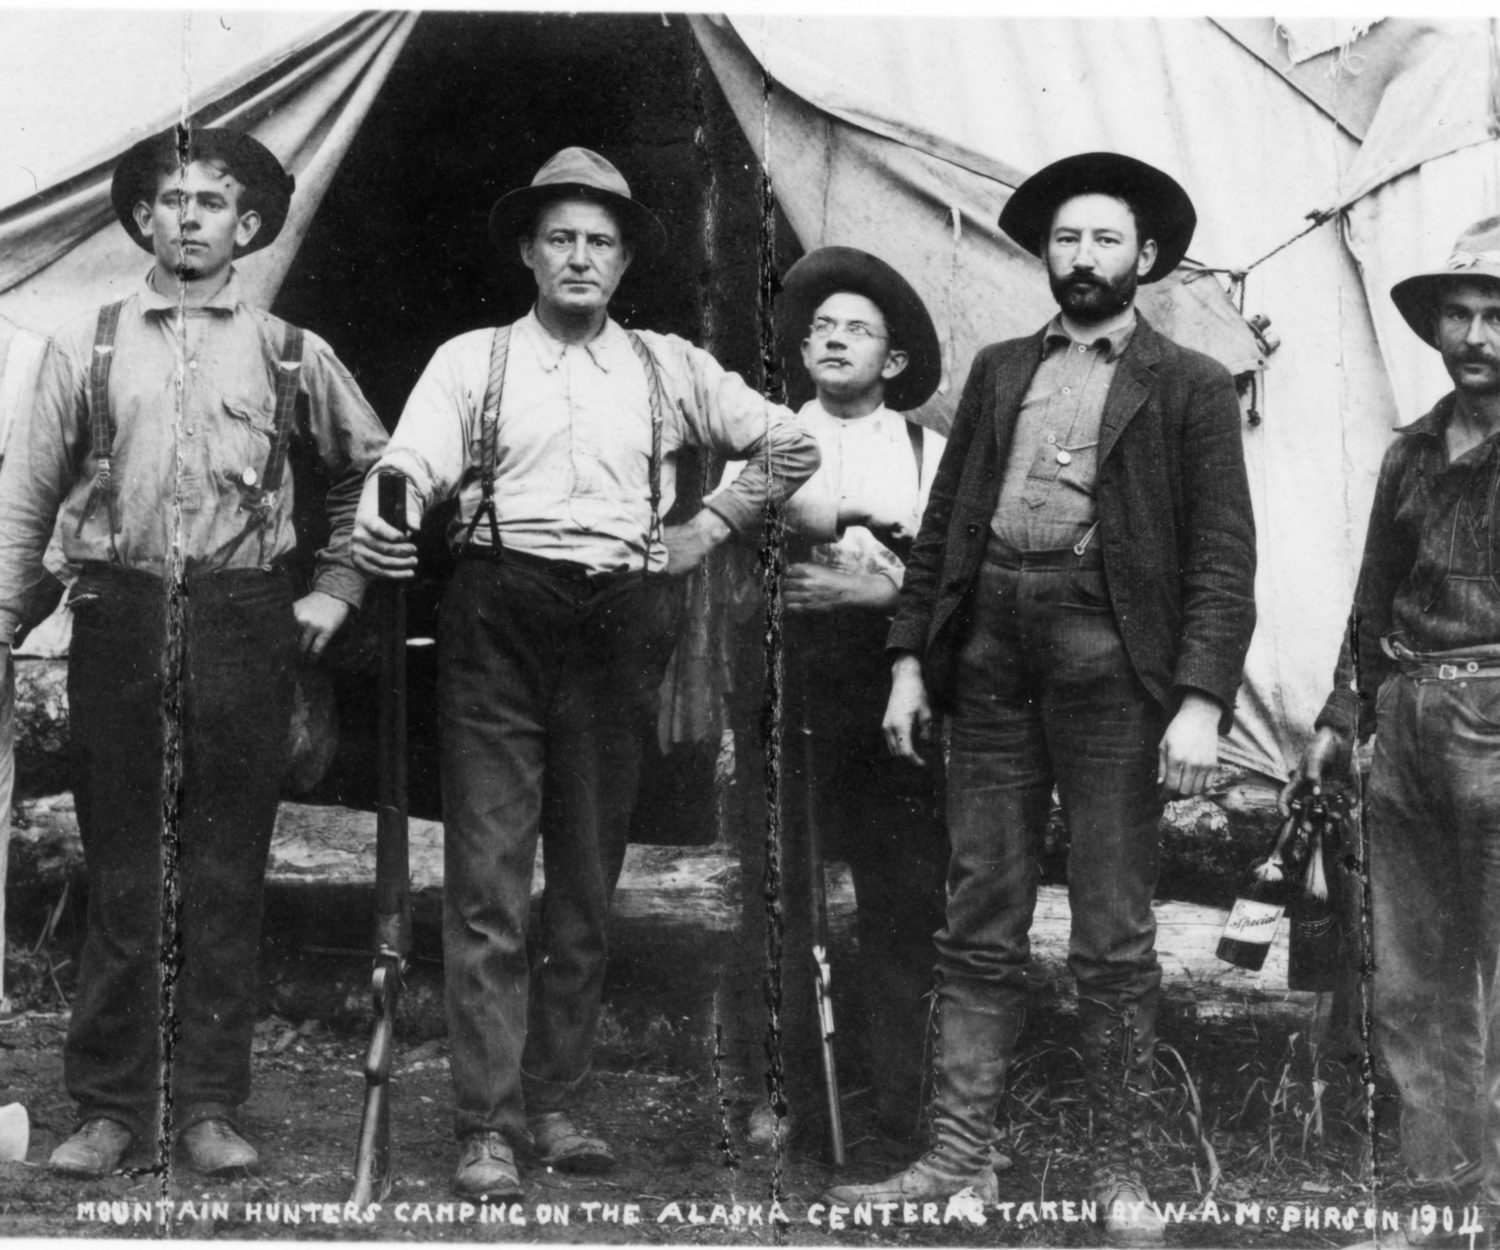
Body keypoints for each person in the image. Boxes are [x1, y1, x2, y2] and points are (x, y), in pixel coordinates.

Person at [351, 147, 819, 1201]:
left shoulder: (670, 366)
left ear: (624, 260)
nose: (579, 256)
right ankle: (485, 1121)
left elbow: (789, 446)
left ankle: (554, 1102)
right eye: (560, 237)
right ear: (528, 250)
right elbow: (405, 463)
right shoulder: (474, 359)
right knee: (489, 883)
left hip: (618, 622)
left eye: (599, 241)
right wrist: (385, 516)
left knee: (587, 884)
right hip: (498, 614)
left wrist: (703, 530)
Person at [828, 152, 1257, 1247]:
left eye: (1105, 239)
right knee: (979, 917)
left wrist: (1200, 696)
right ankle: (956, 1154)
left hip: (1112, 665)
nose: (1083, 258)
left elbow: (1220, 558)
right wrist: (911, 660)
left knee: (1113, 932)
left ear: (1145, 257)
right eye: (1066, 239)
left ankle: (1121, 1167)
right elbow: (942, 532)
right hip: (991, 660)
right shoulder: (999, 368)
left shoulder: (1194, 384)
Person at [0, 126, 388, 1178]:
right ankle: (109, 1106)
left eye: (211, 203)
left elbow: (372, 473)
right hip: (120, 614)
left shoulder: (289, 349)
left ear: (249, 226)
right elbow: (30, 497)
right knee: (124, 866)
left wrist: (338, 585)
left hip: (241, 616)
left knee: (223, 868)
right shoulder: (85, 344)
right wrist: (4, 614)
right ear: (141, 220)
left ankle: (209, 1102)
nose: (187, 218)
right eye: (169, 200)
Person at [1285, 217, 1500, 1247]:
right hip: (1407, 719)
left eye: (1499, 314)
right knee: (1412, 973)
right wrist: (1342, 715)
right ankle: (1437, 1191)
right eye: (1459, 314)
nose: (1477, 334)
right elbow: (1373, 603)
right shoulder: (1410, 450)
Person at [720, 246, 949, 1155]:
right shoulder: (769, 442)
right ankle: (775, 1094)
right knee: (781, 894)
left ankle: (906, 1099)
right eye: (820, 329)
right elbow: (716, 549)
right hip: (785, 684)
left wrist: (882, 596)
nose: (834, 341)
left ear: (893, 362)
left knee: (903, 893)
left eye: (857, 330)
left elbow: (953, 578)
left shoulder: (931, 450)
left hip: (897, 689)